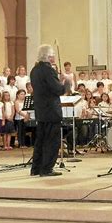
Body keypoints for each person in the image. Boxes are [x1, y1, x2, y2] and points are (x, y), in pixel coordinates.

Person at [30, 44, 67, 177]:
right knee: (52, 141)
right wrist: (63, 82)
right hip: (51, 111)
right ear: (49, 56)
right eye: (53, 55)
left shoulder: (34, 70)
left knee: (40, 140)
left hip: (40, 110)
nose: (54, 58)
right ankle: (46, 169)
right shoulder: (49, 70)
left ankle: (36, 168)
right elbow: (58, 90)